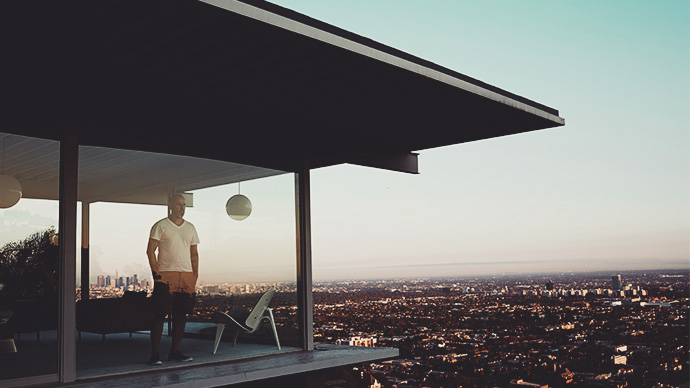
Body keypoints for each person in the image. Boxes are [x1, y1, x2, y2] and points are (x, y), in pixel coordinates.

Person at [146, 194, 200, 365]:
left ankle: (175, 351)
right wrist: (156, 272)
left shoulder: (190, 228)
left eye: (184, 205)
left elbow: (194, 253)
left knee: (181, 314)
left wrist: (194, 275)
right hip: (165, 275)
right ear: (171, 205)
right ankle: (154, 354)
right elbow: (150, 250)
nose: (182, 208)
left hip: (186, 276)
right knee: (159, 314)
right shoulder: (160, 226)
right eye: (179, 204)